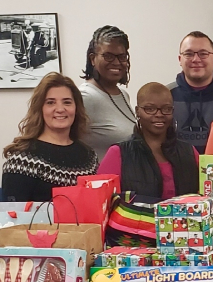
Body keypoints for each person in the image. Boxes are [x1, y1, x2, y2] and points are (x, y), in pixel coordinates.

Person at [2, 72, 98, 202]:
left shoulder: (90, 157)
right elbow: (13, 218)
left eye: (67, 102)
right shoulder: (21, 160)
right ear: (40, 109)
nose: (60, 109)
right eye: (50, 102)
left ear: (76, 108)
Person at [97, 82, 200, 200]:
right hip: (135, 218)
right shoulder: (118, 153)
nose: (159, 114)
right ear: (138, 111)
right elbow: (101, 201)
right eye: (150, 109)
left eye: (166, 109)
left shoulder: (189, 152)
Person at [79, 25, 136, 162]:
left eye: (122, 56)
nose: (116, 62)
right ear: (92, 59)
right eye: (108, 56)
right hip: (100, 181)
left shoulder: (123, 94)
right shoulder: (85, 97)